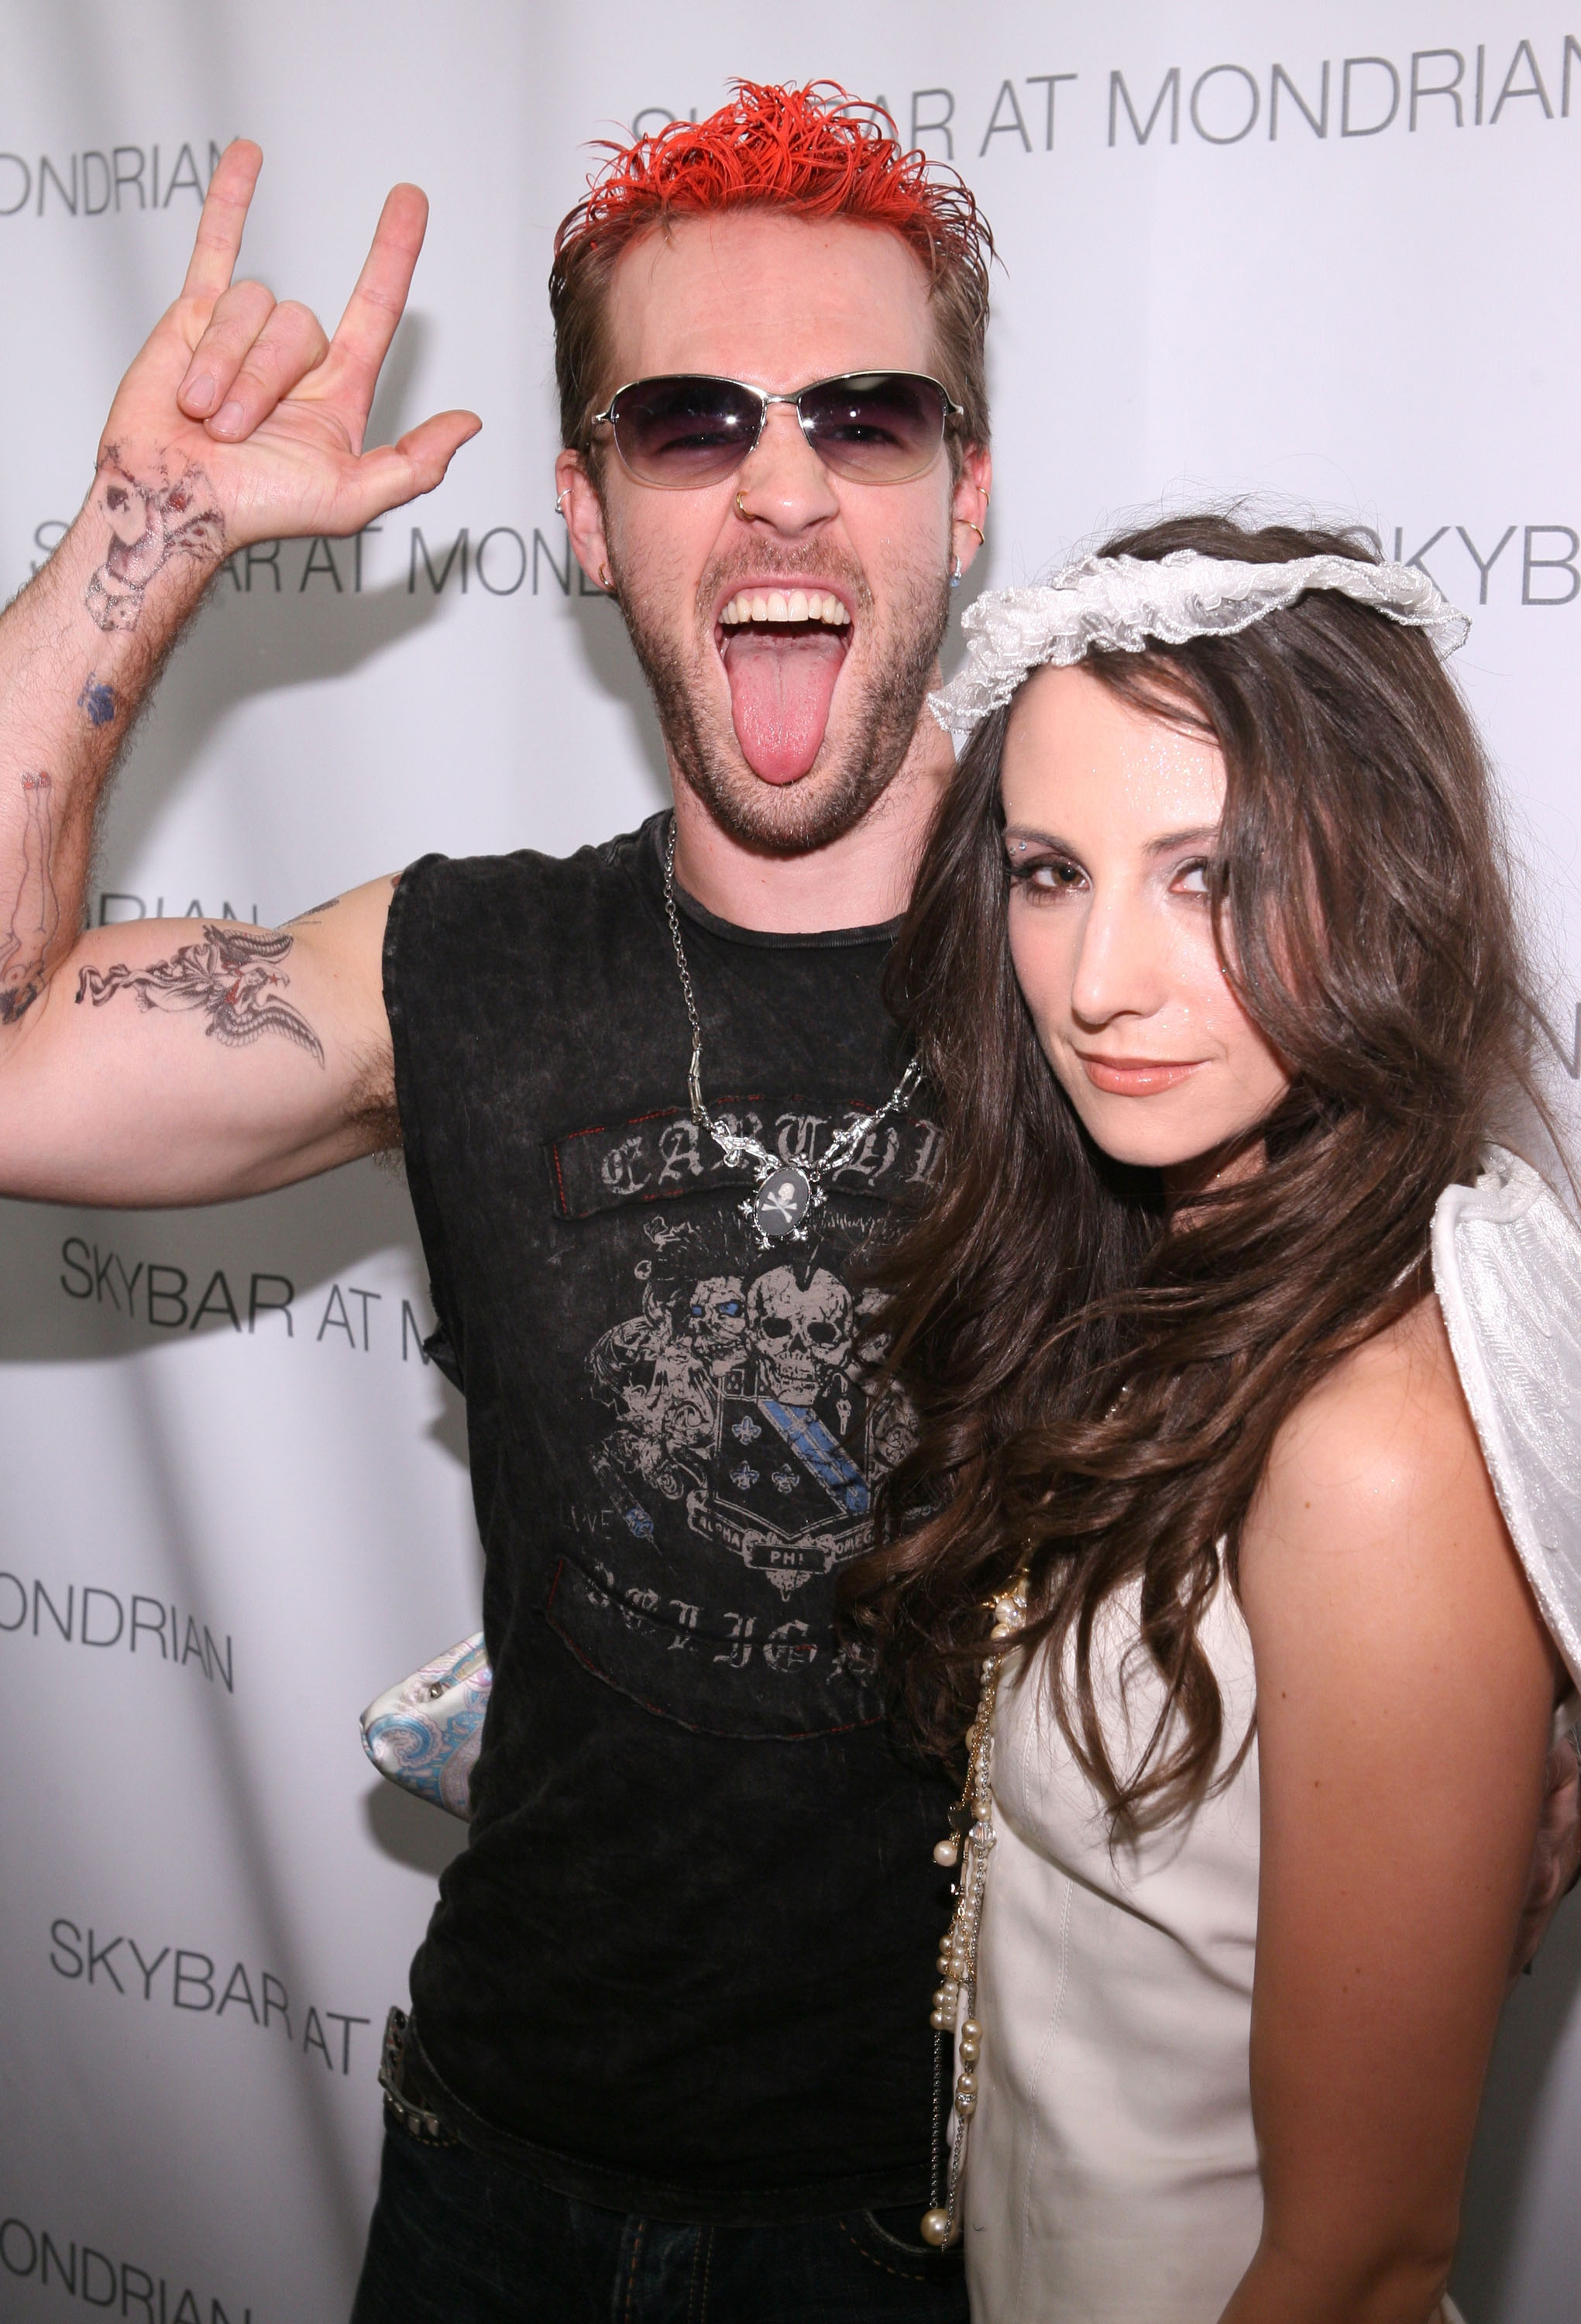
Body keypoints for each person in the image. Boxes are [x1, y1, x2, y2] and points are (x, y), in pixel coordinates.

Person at [0, 85, 1572, 2324]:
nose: (779, 480)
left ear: (966, 490)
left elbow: (1452, 1386)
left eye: (863, 410)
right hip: (500, 2168)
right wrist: (142, 533)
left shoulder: (1139, 985)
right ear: (580, 508)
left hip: (950, 2233)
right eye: (683, 420)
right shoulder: (449, 971)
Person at [843, 513, 1581, 2322]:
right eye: (1047, 872)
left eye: (1206, 871)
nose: (1099, 983)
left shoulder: (1372, 1442)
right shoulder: (1164, 1278)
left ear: (1380, 874)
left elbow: (1357, 2258)